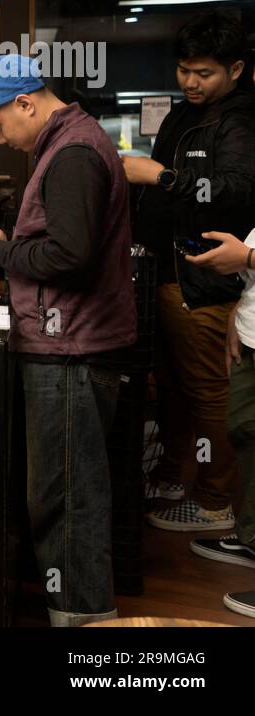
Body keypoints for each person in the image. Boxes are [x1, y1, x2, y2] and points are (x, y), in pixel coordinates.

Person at [0, 54, 136, 626]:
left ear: (26, 102)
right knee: (60, 492)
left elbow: (72, 257)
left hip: (73, 349)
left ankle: (85, 627)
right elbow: (63, 240)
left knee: (68, 500)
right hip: (67, 343)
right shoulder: (69, 141)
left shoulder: (73, 153)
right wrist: (10, 240)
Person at [123, 11, 255, 531]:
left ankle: (215, 502)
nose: (192, 82)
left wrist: (164, 176)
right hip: (171, 273)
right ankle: (178, 473)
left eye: (204, 73)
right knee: (174, 386)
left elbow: (238, 190)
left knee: (207, 391)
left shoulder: (241, 118)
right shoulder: (183, 115)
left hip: (207, 278)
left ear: (237, 69)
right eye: (184, 70)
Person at [183, 228, 255, 618]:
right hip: (250, 330)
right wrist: (241, 308)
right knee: (244, 430)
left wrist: (246, 259)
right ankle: (252, 538)